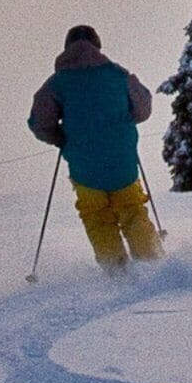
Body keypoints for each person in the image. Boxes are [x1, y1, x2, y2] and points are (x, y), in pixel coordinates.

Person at [26, 25, 162, 270]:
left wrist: (59, 137)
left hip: (84, 164)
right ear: (97, 46)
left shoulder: (57, 84)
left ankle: (116, 270)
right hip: (122, 159)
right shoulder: (119, 75)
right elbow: (143, 109)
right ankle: (152, 262)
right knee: (132, 210)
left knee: (97, 216)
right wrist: (122, 120)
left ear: (66, 48)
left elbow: (39, 123)